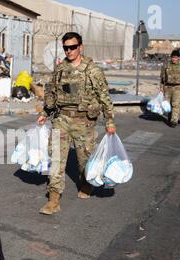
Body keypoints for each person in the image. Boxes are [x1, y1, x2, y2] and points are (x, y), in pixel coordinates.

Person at [36, 32, 116, 215]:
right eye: (66, 48)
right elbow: (51, 93)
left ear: (81, 47)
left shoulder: (92, 70)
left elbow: (104, 97)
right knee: (56, 159)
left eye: (72, 47)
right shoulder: (60, 69)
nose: (69, 51)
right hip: (61, 120)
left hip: (84, 122)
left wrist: (109, 121)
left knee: (84, 160)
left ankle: (87, 183)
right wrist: (45, 113)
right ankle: (53, 200)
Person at [160, 50, 180, 127]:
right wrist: (161, 87)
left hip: (178, 87)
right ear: (171, 57)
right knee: (167, 104)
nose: (174, 59)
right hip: (167, 87)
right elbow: (162, 76)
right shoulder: (166, 64)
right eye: (173, 57)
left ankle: (174, 121)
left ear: (178, 57)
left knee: (176, 104)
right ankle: (170, 117)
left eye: (176, 57)